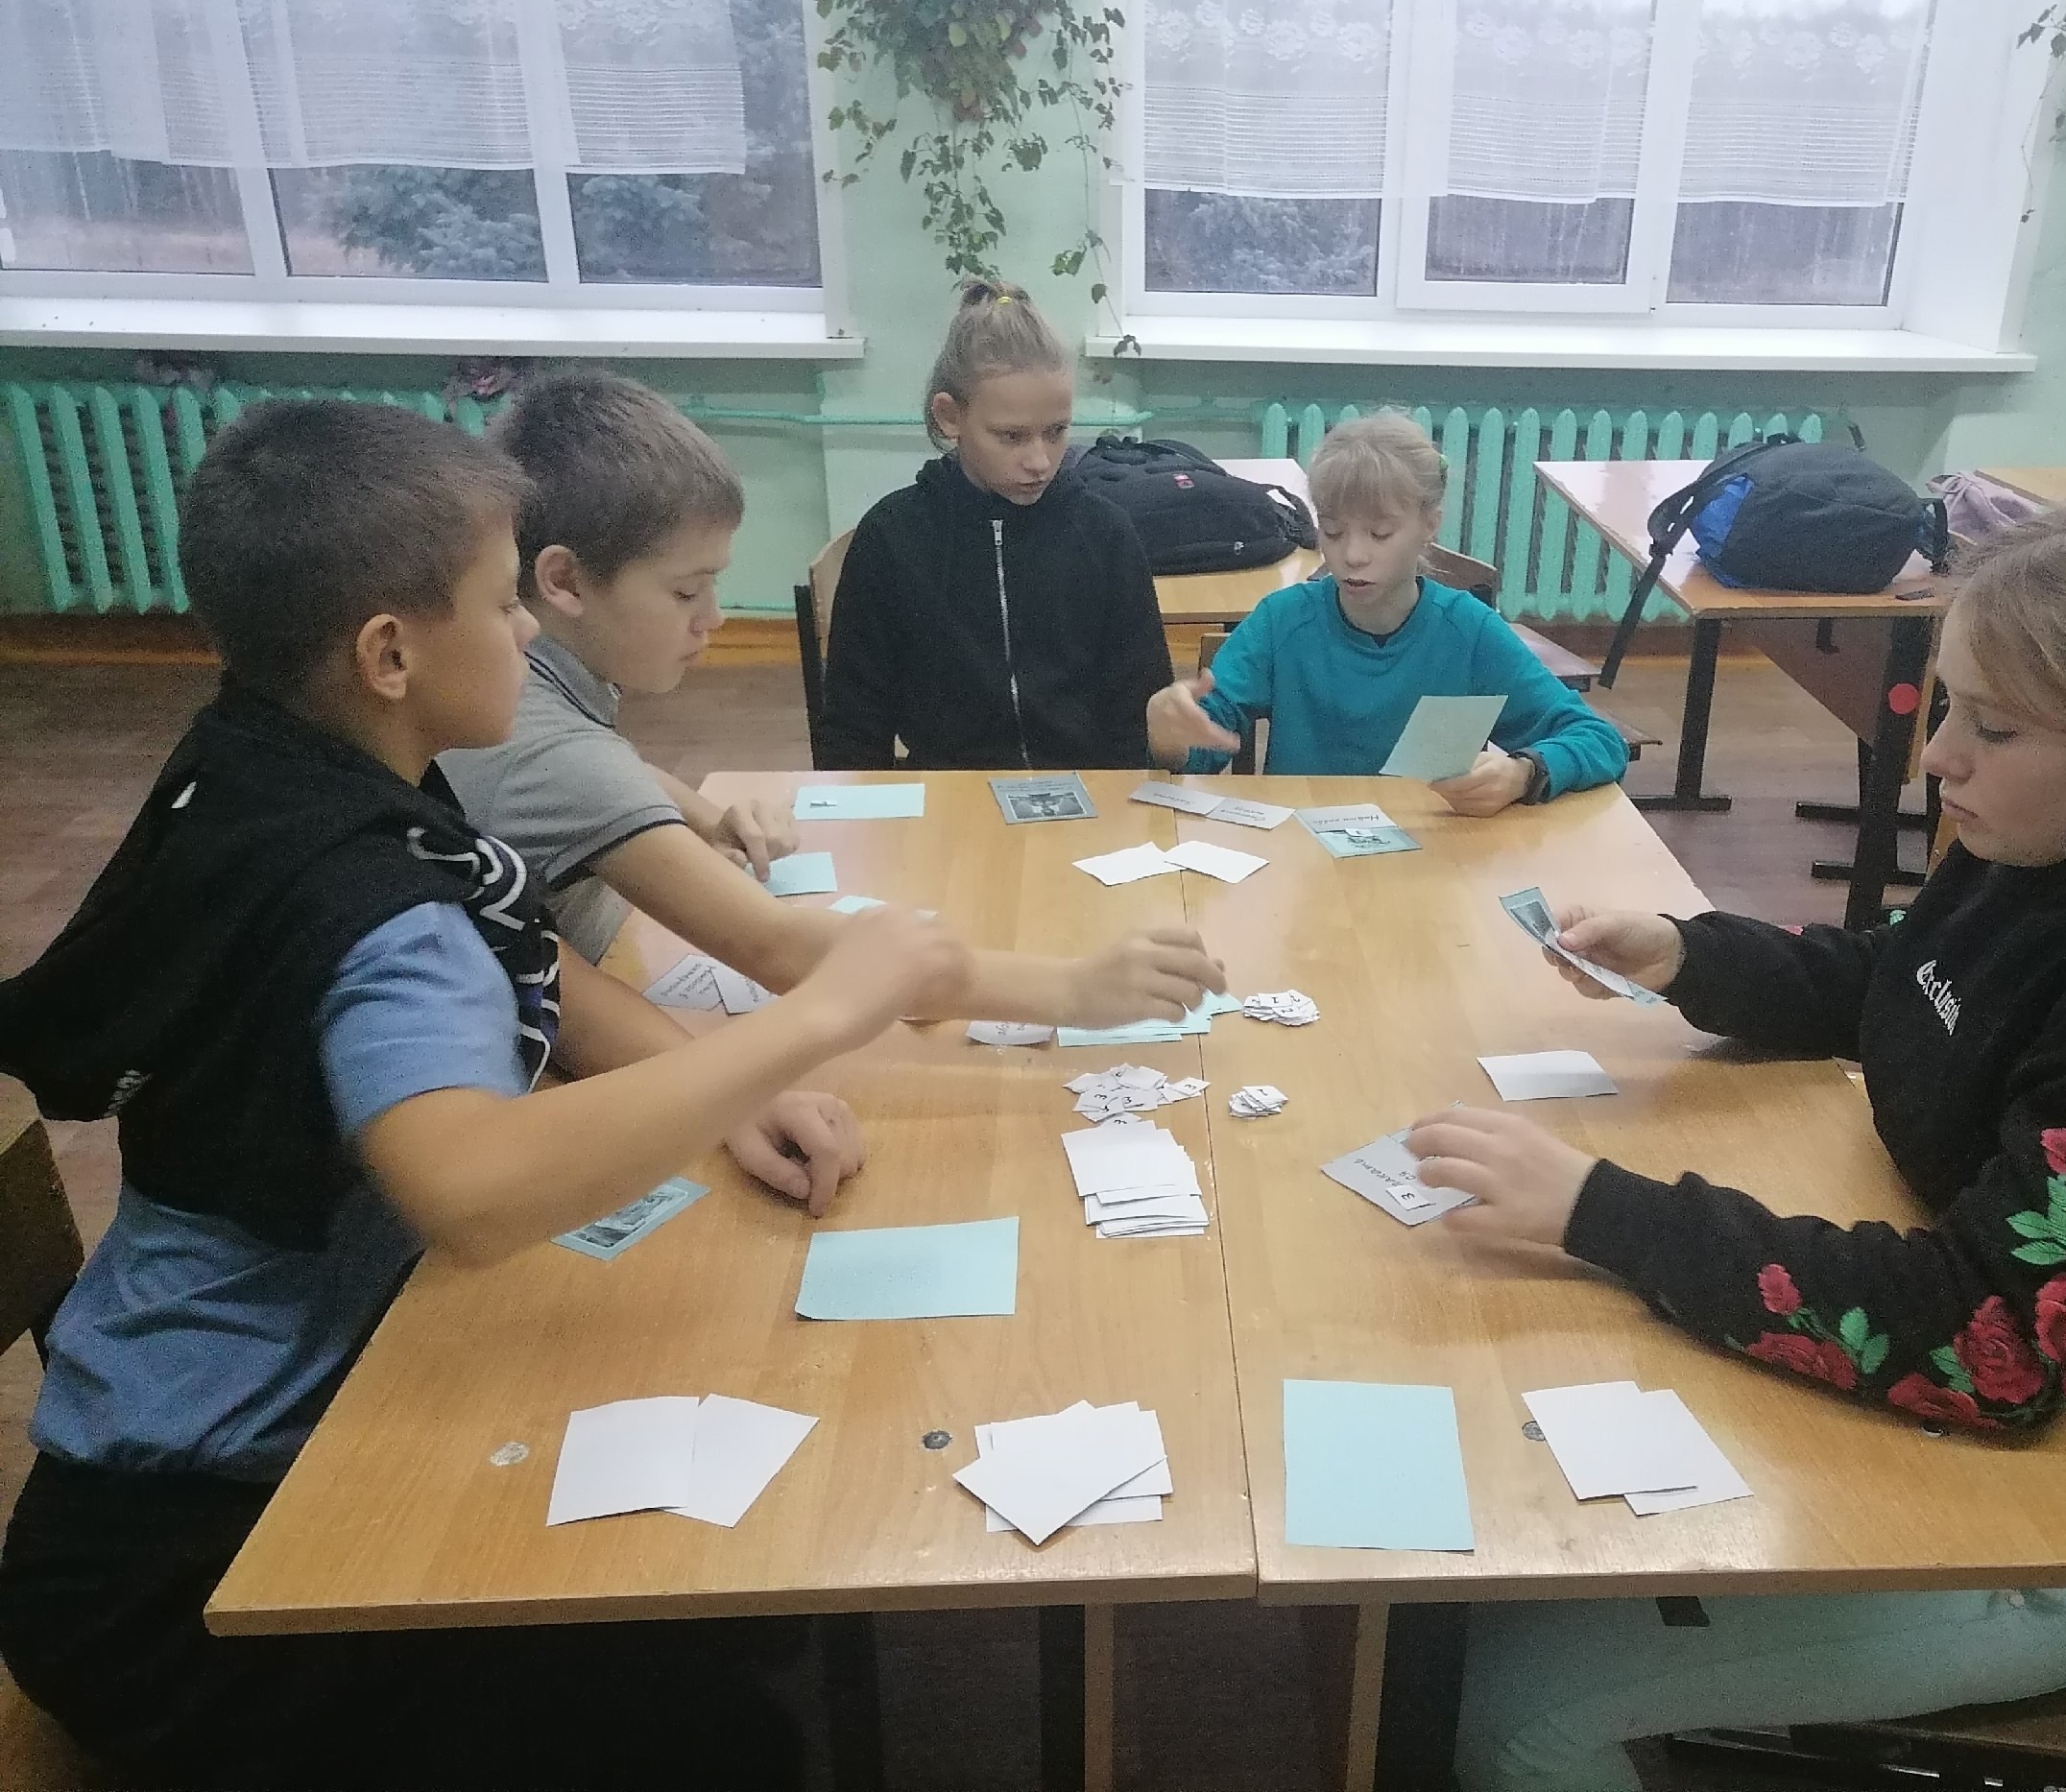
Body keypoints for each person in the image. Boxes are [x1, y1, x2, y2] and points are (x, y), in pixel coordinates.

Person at [1405, 490, 2066, 1791]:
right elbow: (1918, 986)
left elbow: (1991, 1345)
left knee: (1507, 1707)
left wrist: (1600, 1213)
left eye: (1992, 727)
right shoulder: (2062, 835)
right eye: (1948, 705)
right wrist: (1692, 956)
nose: (1937, 758)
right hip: (1984, 1431)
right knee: (1482, 1547)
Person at [0, 400, 968, 1789]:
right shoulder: (374, 909)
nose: (526, 632)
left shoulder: (276, 764)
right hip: (190, 1575)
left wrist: (710, 1090)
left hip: (162, 1495)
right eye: (505, 602)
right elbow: (474, 1189)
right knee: (726, 1724)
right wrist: (815, 1019)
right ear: (390, 654)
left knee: (739, 1617)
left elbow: (527, 956)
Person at [442, 370, 1226, 1087]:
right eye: (687, 592)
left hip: (577, 998)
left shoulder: (530, 683)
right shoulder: (537, 745)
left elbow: (597, 767)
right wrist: (1072, 988)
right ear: (564, 581)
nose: (715, 618)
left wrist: (704, 815)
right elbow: (777, 948)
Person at [1146, 412, 1630, 812]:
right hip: (1304, 863)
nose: (1352, 555)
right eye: (1332, 532)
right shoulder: (1283, 621)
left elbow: (1598, 739)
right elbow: (1202, 744)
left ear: (1429, 525)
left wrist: (1524, 772)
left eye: (1380, 534)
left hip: (1435, 859)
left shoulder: (1469, 631)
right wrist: (1169, 735)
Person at [815, 279, 1173, 771]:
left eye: (1056, 432)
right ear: (950, 417)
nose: (1039, 461)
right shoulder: (891, 538)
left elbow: (1140, 708)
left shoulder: (1105, 533)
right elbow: (853, 730)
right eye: (1011, 436)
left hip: (1090, 793)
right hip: (947, 795)